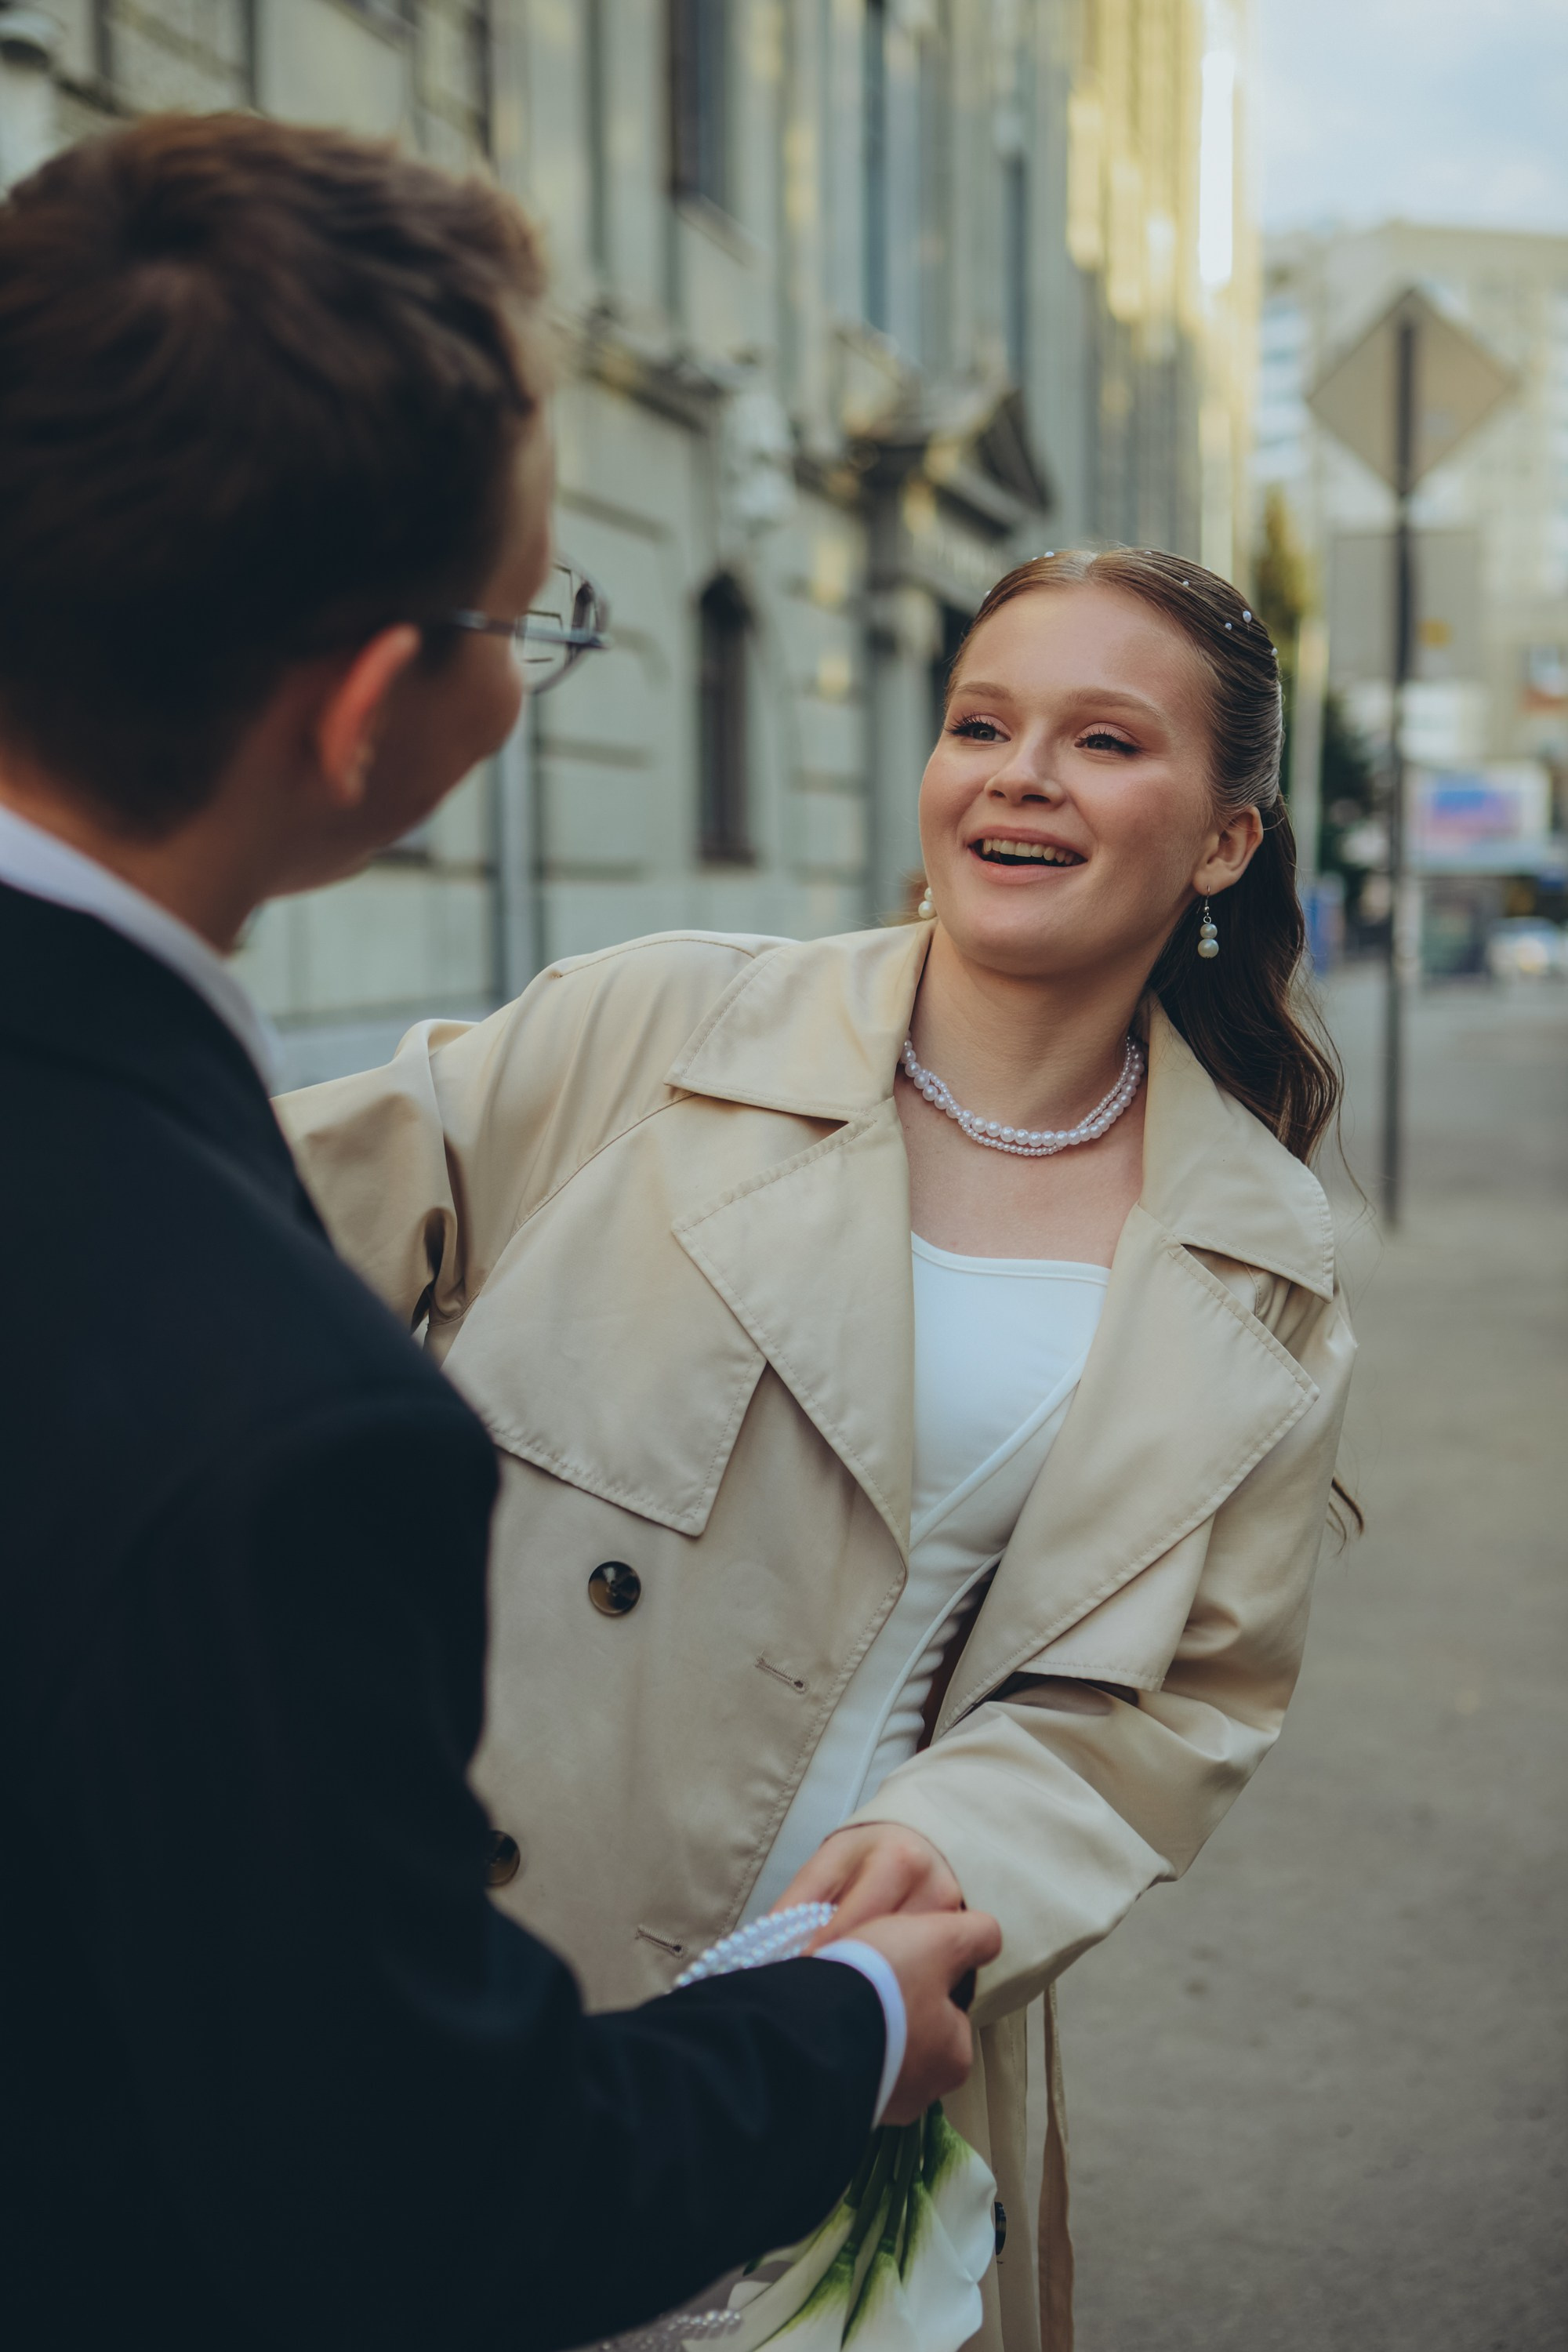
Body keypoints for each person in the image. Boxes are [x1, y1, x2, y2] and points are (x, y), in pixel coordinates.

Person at [0, 114, 1000, 2352]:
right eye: (529, 615)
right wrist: (834, 2031)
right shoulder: (277, 1420)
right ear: (370, 715)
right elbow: (412, 2211)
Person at [281, 546, 1359, 2352]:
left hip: (845, 2011)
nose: (1018, 774)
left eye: (1103, 741)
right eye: (980, 723)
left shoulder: (1260, 1258)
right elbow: (231, 1261)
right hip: (449, 1944)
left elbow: (1176, 1704)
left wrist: (953, 1852)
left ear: (1226, 840)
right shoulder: (660, 1029)